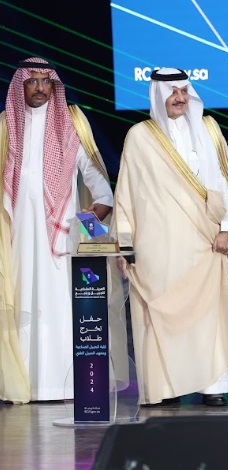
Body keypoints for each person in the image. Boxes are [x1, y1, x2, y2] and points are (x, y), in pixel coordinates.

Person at [112, 68, 228, 407]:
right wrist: (125, 244)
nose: (180, 98)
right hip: (157, 247)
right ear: (159, 95)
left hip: (204, 241)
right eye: (173, 92)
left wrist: (227, 227)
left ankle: (212, 386)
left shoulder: (206, 129)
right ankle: (166, 388)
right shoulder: (139, 136)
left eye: (184, 91)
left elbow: (220, 182)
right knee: (159, 317)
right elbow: (125, 194)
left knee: (208, 316)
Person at [0, 58, 114, 403]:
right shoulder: (6, 126)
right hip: (16, 237)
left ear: (54, 86)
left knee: (58, 306)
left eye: (45, 81)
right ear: (20, 85)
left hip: (61, 237)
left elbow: (98, 183)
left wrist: (95, 215)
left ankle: (62, 385)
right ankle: (22, 384)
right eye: (32, 81)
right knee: (20, 305)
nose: (39, 88)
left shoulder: (70, 126)